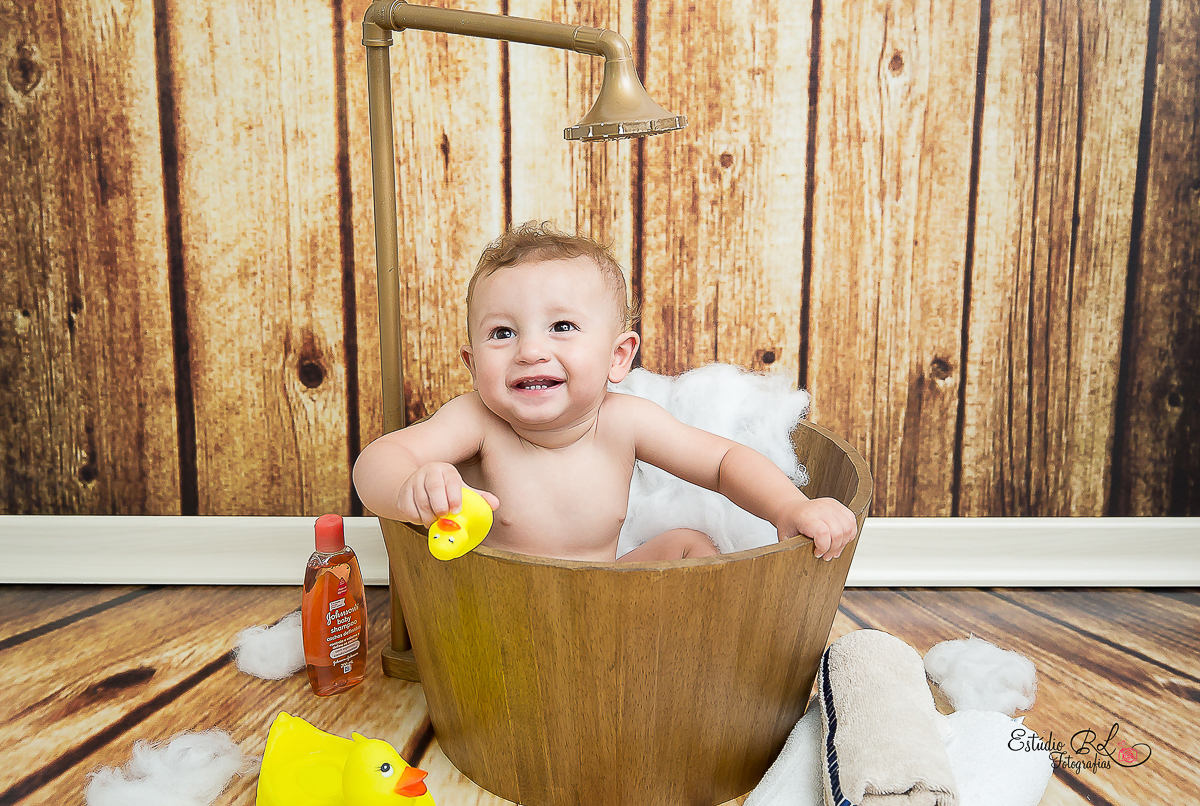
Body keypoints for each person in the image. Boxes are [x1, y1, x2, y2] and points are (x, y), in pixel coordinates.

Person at [353, 222, 857, 562]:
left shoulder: (625, 421)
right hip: (502, 609)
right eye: (502, 333)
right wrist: (409, 487)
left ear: (618, 357)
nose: (530, 351)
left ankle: (685, 667)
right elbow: (375, 462)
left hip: (602, 604)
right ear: (472, 364)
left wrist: (789, 508)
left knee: (689, 546)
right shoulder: (476, 421)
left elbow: (724, 462)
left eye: (562, 326)